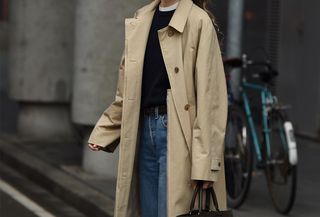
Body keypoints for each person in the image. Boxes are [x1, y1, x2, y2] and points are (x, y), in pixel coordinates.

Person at [88, 0, 228, 217]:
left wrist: (205, 163)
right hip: (144, 131)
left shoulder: (198, 21)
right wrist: (107, 128)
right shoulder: (142, 18)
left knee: (172, 211)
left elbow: (211, 99)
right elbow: (128, 88)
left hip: (179, 134)